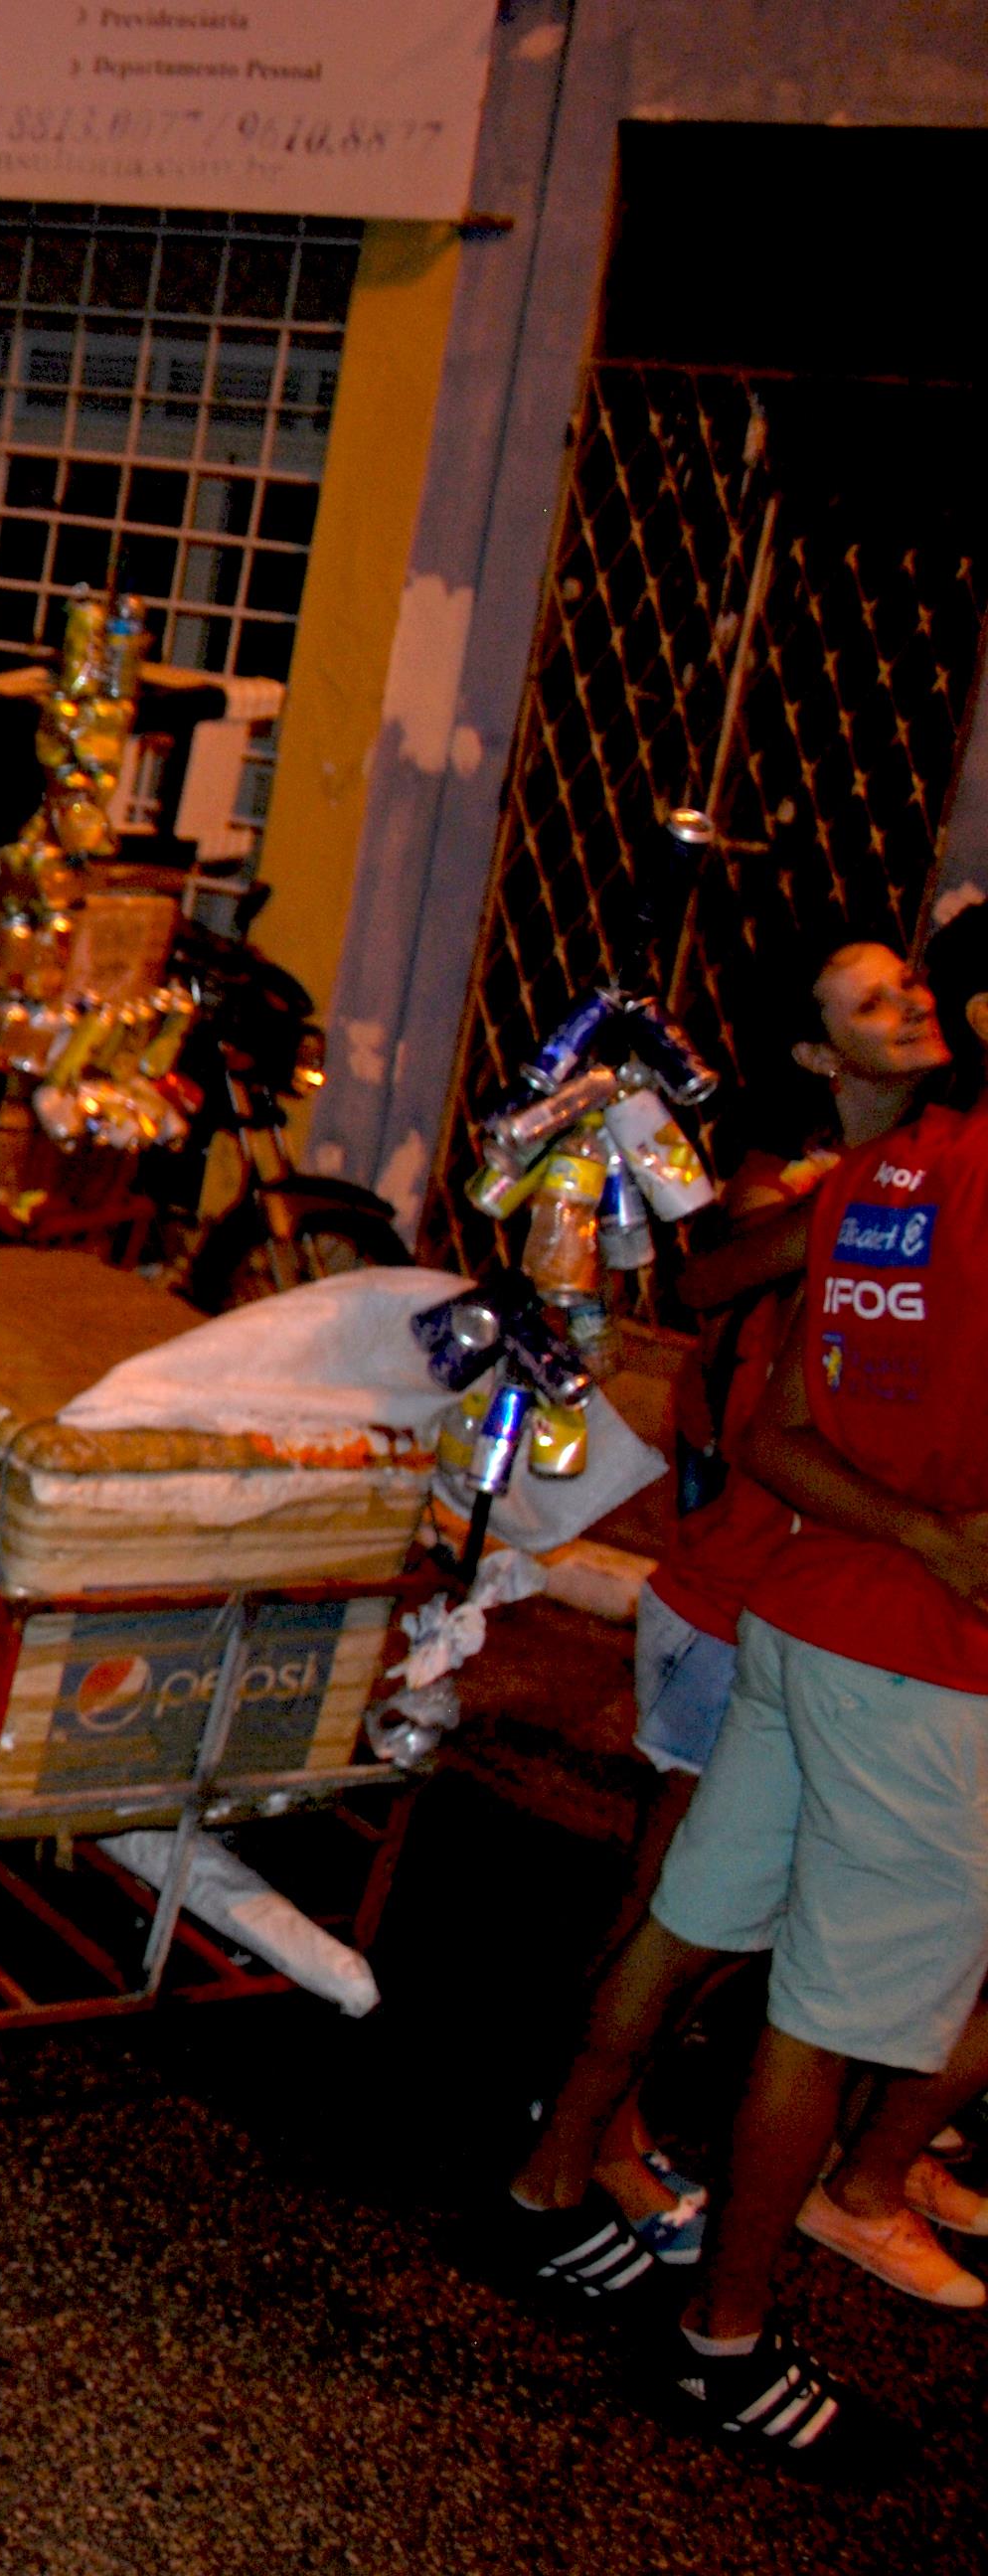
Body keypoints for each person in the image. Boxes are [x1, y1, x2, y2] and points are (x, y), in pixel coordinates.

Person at [495, 955, 988, 2472]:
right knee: (823, 2017)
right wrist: (936, 1544)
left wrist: (911, 1530)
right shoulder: (911, 1175)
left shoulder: (887, 1183)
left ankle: (548, 2184)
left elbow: (780, 1426)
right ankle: (724, 2340)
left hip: (807, 1615)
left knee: (683, 1923)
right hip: (918, 1666)